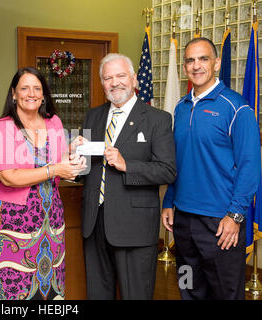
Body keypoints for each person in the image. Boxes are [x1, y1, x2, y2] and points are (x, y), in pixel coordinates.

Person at [161, 37, 261, 300]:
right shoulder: (181, 109)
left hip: (220, 223)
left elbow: (250, 166)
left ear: (216, 63)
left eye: (203, 59)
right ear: (184, 67)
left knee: (225, 294)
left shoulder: (237, 107)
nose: (196, 66)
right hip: (182, 222)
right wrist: (169, 200)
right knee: (188, 287)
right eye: (190, 60)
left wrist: (236, 215)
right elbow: (177, 160)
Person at [0, 67, 86, 300]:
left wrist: (71, 154)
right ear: (14, 94)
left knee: (48, 290)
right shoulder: (2, 128)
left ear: (44, 94)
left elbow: (58, 166)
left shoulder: (54, 122)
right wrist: (55, 169)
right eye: (24, 88)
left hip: (51, 221)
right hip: (13, 225)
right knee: (13, 290)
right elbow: (8, 176)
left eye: (37, 88)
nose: (31, 93)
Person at [79, 53, 176, 299]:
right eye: (108, 78)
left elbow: (167, 170)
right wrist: (75, 158)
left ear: (134, 79)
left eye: (121, 76)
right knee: (98, 294)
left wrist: (127, 165)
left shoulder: (158, 119)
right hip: (94, 223)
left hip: (134, 225)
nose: (115, 83)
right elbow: (85, 170)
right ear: (102, 83)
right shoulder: (93, 116)